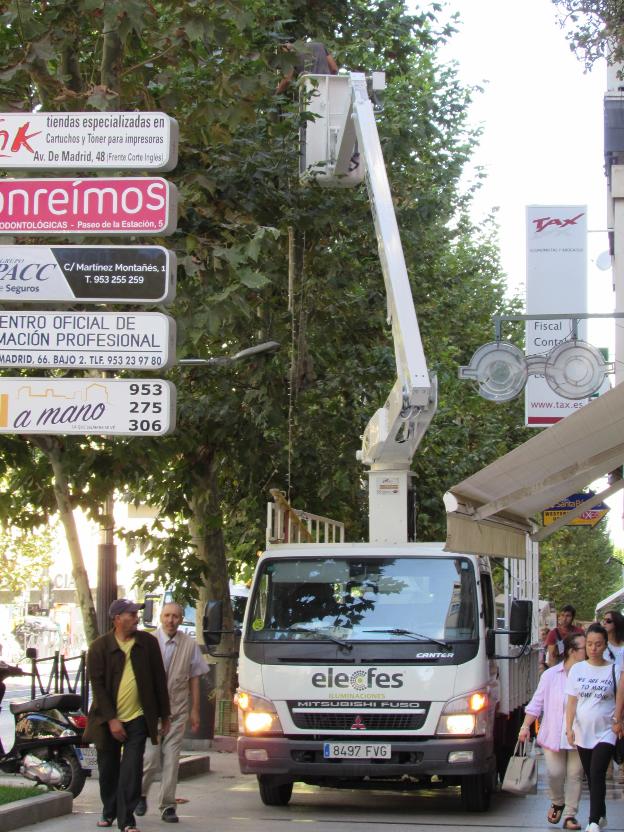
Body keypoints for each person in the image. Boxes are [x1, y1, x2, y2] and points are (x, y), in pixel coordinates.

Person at [84, 599, 170, 832]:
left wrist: (165, 716)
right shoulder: (99, 647)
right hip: (106, 719)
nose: (135, 617)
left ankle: (127, 819)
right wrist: (112, 719)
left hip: (138, 718)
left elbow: (159, 680)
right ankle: (109, 810)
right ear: (117, 618)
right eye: (131, 614)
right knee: (108, 769)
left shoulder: (148, 644)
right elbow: (98, 688)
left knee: (132, 769)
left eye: (136, 614)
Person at [136, 602, 209, 823]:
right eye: (167, 615)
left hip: (177, 711)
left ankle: (167, 805)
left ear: (180, 619)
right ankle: (139, 794)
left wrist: (195, 710)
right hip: (152, 713)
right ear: (160, 617)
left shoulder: (189, 645)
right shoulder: (148, 642)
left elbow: (195, 677)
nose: (171, 620)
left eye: (175, 616)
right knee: (150, 759)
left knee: (172, 759)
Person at [518, 632, 586, 830]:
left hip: (579, 735)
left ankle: (570, 815)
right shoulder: (550, 675)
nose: (589, 650)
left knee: (575, 774)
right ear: (572, 652)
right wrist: (525, 726)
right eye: (584, 647)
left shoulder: (586, 675)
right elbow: (536, 703)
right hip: (553, 734)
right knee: (555, 773)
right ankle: (557, 801)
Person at [565, 622, 620, 832]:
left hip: (606, 731)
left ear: (605, 645)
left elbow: (620, 700)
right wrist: (568, 728)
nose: (593, 648)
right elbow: (572, 702)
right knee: (591, 774)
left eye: (598, 644)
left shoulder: (614, 670)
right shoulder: (577, 670)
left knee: (597, 772)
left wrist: (618, 721)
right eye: (589, 644)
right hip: (582, 731)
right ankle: (602, 813)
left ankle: (593, 821)